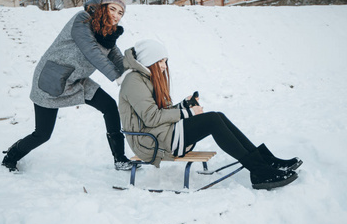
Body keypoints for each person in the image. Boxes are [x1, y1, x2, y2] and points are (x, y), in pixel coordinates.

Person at [118, 39, 302, 190]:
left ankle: (265, 162)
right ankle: (259, 170)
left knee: (218, 116)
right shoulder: (134, 81)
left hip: (161, 133)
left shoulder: (144, 78)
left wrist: (183, 105)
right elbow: (151, 117)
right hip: (151, 143)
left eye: (165, 61)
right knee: (213, 120)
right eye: (161, 61)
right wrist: (187, 112)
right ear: (149, 61)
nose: (165, 66)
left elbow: (158, 112)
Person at [2, 0, 133, 172]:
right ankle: (11, 155)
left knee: (110, 107)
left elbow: (115, 56)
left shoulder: (107, 33)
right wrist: (116, 77)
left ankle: (120, 159)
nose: (116, 15)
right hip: (51, 80)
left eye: (121, 12)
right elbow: (91, 51)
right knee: (42, 134)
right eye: (113, 8)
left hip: (76, 81)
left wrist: (134, 72)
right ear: (102, 6)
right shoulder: (82, 20)